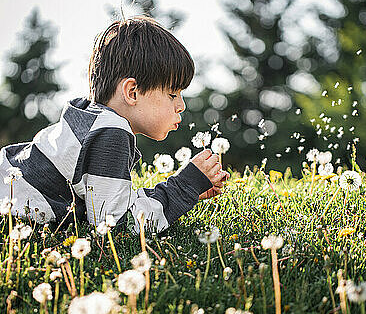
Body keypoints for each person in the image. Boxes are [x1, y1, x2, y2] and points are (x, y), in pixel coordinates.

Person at [0, 16, 229, 234]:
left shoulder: (93, 121)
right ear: (132, 91)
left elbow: (114, 203)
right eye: (172, 94)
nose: (181, 106)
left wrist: (190, 190)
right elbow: (117, 224)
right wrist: (183, 187)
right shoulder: (111, 133)